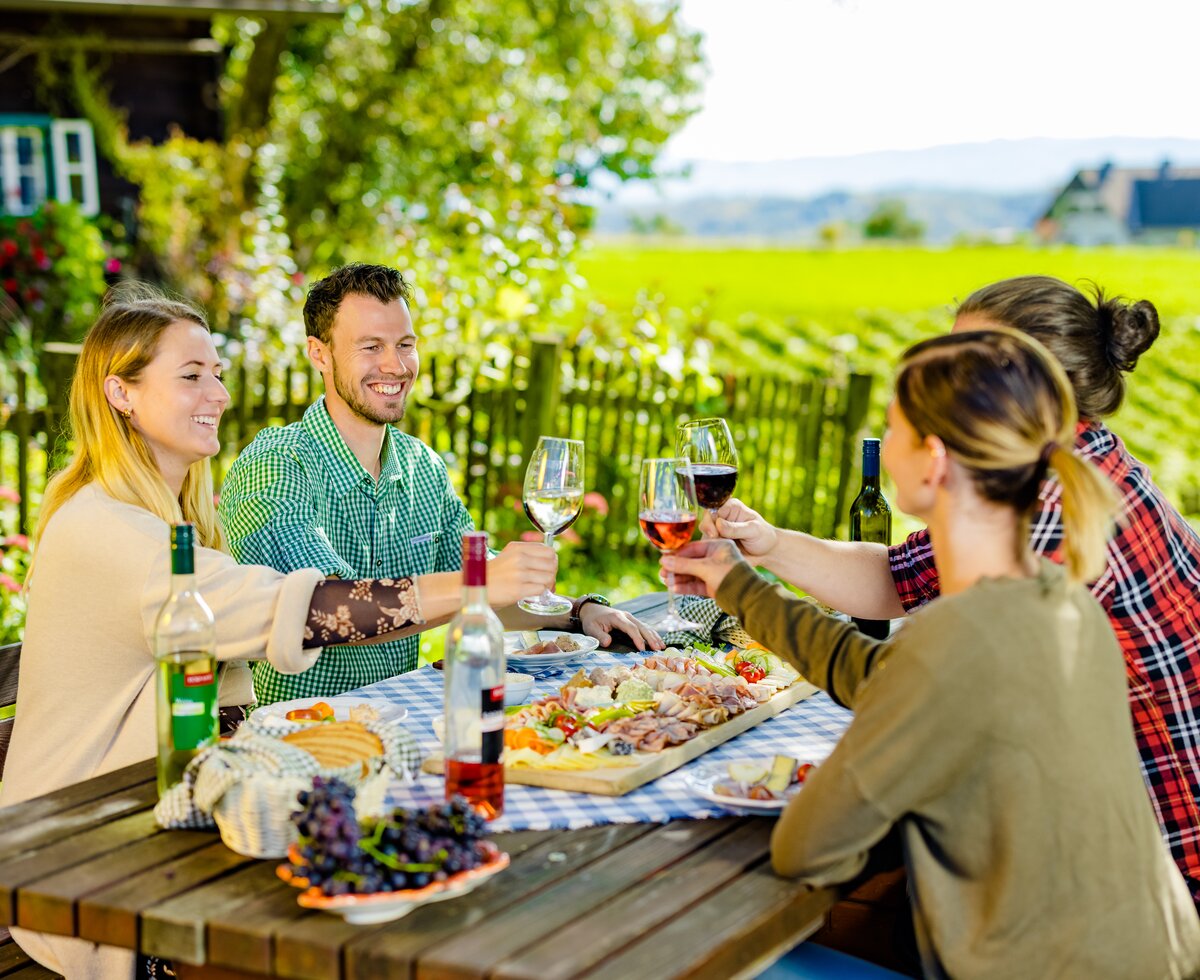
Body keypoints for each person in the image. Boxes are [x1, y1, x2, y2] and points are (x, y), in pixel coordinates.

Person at [664, 328, 1200, 977]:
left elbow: (808, 851)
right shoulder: (1059, 597)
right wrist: (738, 585)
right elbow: (890, 676)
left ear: (934, 459)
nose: (883, 447)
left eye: (892, 429)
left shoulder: (953, 639)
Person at [0, 287, 470, 979]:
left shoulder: (166, 516)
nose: (217, 393)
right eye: (191, 376)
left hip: (156, 817)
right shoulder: (105, 529)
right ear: (120, 393)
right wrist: (481, 587)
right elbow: (303, 609)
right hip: (79, 864)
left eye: (217, 373)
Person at [218, 263, 661, 705]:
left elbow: (491, 593)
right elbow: (328, 613)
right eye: (371, 346)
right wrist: (481, 582)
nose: (395, 365)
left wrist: (580, 612)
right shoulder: (276, 462)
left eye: (405, 345)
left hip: (401, 716)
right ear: (319, 353)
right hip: (300, 733)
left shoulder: (421, 466)